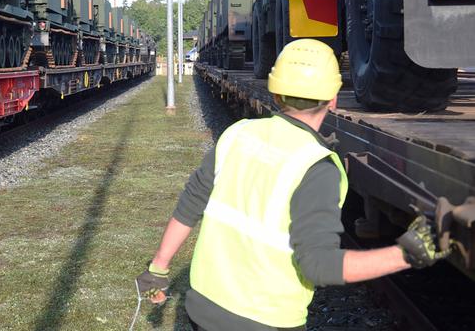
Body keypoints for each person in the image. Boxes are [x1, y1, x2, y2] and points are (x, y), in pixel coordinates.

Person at [136, 39, 449, 331]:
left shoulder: (237, 135)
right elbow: (319, 266)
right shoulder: (316, 165)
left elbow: (190, 204)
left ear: (275, 94)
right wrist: (406, 254)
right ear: (333, 99)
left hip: (203, 306)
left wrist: (159, 268)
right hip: (264, 320)